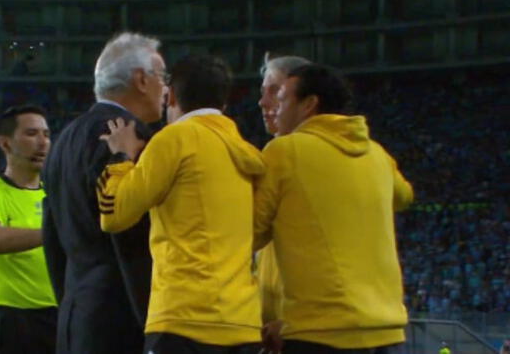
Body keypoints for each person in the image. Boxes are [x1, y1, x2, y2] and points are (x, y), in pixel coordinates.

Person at [96, 54, 264, 353]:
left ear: (171, 95)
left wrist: (122, 156)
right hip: (243, 322)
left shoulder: (174, 140)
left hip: (184, 320)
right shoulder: (247, 152)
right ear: (223, 102)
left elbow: (114, 214)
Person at [254, 64, 414, 353]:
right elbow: (404, 196)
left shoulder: (284, 152)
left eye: (282, 99)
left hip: (322, 334)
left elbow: (250, 232)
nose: (276, 108)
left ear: (309, 105)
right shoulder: (377, 154)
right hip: (388, 333)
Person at [41, 32, 165, 354]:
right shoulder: (129, 135)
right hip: (122, 320)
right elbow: (132, 238)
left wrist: (69, 303)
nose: (166, 88)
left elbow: (52, 239)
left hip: (77, 314)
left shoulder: (64, 140)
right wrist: (151, 323)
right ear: (141, 79)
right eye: (162, 76)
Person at [0, 105, 56, 354]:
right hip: (15, 322)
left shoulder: (58, 195)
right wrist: (56, 233)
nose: (42, 142)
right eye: (31, 134)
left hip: (63, 316)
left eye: (46, 134)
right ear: (5, 143)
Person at [255, 53, 311, 349]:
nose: (263, 103)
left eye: (274, 92)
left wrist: (293, 324)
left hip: (298, 331)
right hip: (274, 329)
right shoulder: (276, 153)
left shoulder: (313, 159)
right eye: (262, 92)